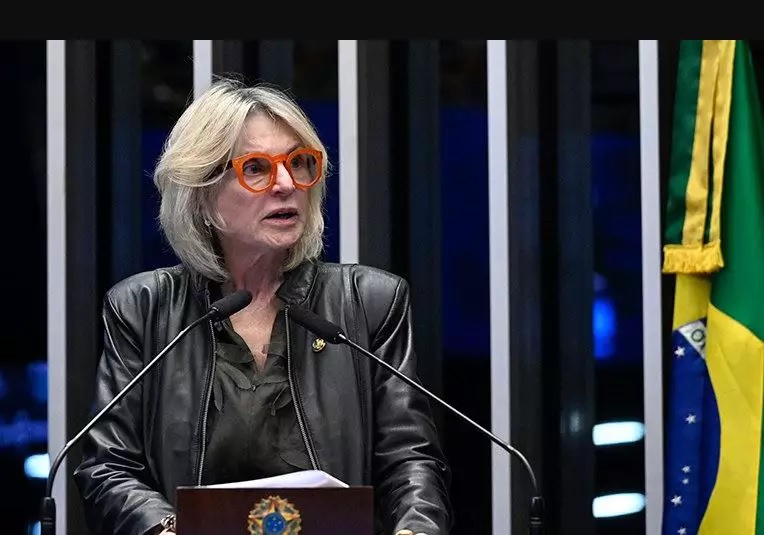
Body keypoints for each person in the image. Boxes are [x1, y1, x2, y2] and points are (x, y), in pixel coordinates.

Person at [73, 76, 453, 535]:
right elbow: (107, 466)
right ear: (202, 192)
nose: (287, 184)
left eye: (299, 163)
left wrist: (414, 530)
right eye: (256, 168)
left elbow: (410, 460)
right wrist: (167, 529)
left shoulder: (369, 302)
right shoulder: (143, 309)